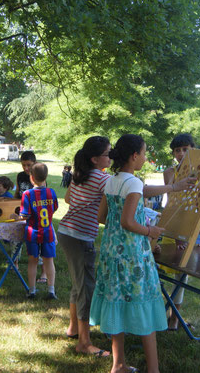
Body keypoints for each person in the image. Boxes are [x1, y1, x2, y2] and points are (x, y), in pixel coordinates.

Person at [90, 134, 167, 373]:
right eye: (144, 153)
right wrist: (150, 230)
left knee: (118, 303)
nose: (145, 158)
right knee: (141, 305)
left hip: (112, 252)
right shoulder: (133, 183)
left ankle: (119, 364)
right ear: (134, 156)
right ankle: (153, 369)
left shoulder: (112, 181)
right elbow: (128, 222)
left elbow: (102, 217)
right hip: (133, 255)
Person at [58, 136, 112, 357]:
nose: (112, 157)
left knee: (78, 284)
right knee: (86, 289)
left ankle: (73, 328)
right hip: (80, 237)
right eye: (108, 153)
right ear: (95, 159)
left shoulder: (80, 174)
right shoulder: (101, 178)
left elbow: (69, 199)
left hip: (66, 232)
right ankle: (84, 342)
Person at [163, 133, 200, 331]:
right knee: (166, 272)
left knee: (182, 277)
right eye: (177, 150)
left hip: (191, 227)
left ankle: (174, 318)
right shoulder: (169, 171)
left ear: (193, 149)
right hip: (172, 226)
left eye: (185, 149)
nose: (181, 153)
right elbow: (173, 194)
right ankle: (163, 315)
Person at [19, 162, 59, 300]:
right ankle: (51, 290)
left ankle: (32, 291)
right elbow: (54, 208)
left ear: (31, 178)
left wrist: (16, 216)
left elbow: (24, 215)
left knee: (32, 261)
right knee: (49, 261)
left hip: (33, 233)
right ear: (46, 177)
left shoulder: (27, 194)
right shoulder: (51, 192)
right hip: (47, 232)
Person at [14, 150, 47, 283]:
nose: (26, 168)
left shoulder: (39, 177)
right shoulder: (20, 176)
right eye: (23, 165)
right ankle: (14, 263)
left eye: (28, 165)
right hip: (21, 213)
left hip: (36, 218)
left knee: (41, 244)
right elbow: (17, 193)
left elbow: (43, 200)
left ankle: (44, 273)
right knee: (15, 239)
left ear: (35, 163)